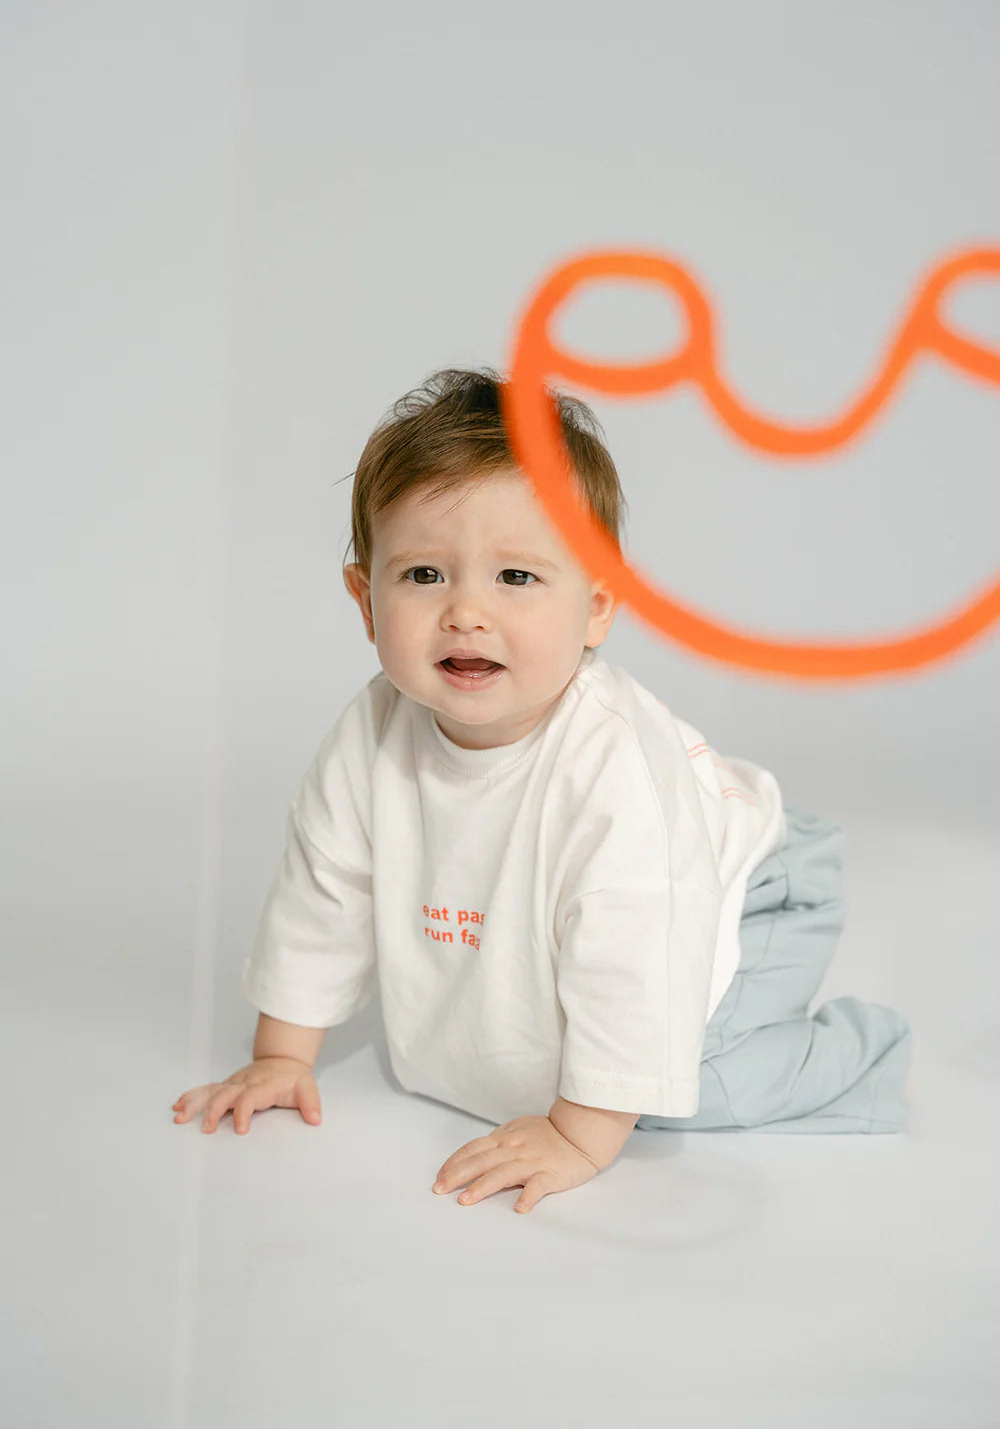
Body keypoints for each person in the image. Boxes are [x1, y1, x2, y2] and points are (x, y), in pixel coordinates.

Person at [172, 367, 913, 1214]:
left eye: (515, 578)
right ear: (366, 602)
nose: (465, 613)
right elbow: (323, 892)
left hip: (746, 890)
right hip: (655, 895)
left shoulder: (613, 769)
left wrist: (581, 1134)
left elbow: (638, 956)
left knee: (673, 1086)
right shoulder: (369, 739)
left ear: (597, 608)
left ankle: (865, 1056)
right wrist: (284, 1054)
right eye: (423, 576)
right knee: (600, 1065)